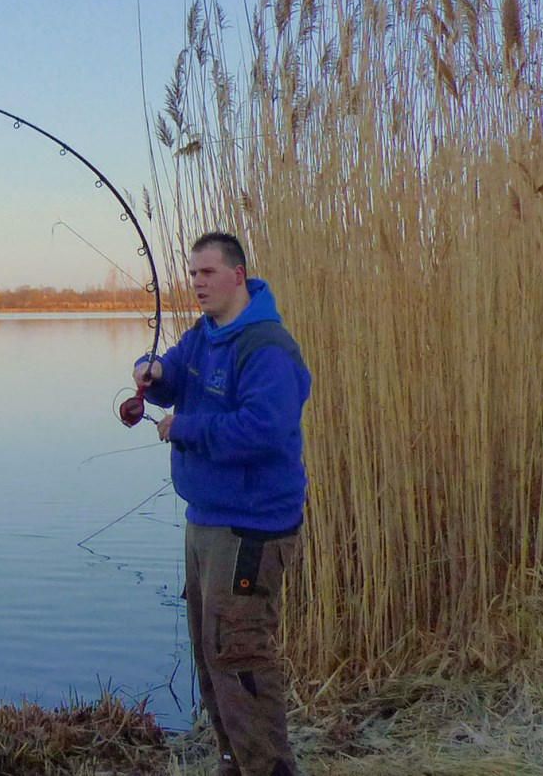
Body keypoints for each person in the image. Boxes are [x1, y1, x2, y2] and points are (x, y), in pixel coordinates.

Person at [133, 231, 311, 776]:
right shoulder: (204, 335)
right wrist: (152, 371)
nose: (197, 283)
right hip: (205, 521)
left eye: (207, 273)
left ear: (237, 276)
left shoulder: (266, 347)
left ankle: (270, 768)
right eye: (191, 274)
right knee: (211, 655)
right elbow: (172, 375)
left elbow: (263, 429)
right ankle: (234, 760)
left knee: (240, 654)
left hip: (251, 528)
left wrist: (185, 427)